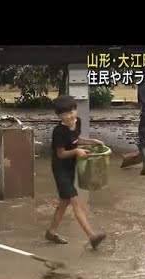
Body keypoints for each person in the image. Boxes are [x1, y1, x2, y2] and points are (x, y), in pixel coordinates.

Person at [46, 95, 107, 249]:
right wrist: (76, 152)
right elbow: (61, 154)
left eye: (72, 111)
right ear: (59, 116)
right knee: (75, 202)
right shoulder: (58, 131)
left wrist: (92, 141)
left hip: (71, 168)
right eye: (65, 114)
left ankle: (51, 232)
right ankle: (92, 236)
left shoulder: (77, 122)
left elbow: (75, 140)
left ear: (76, 110)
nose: (70, 116)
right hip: (60, 170)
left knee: (64, 202)